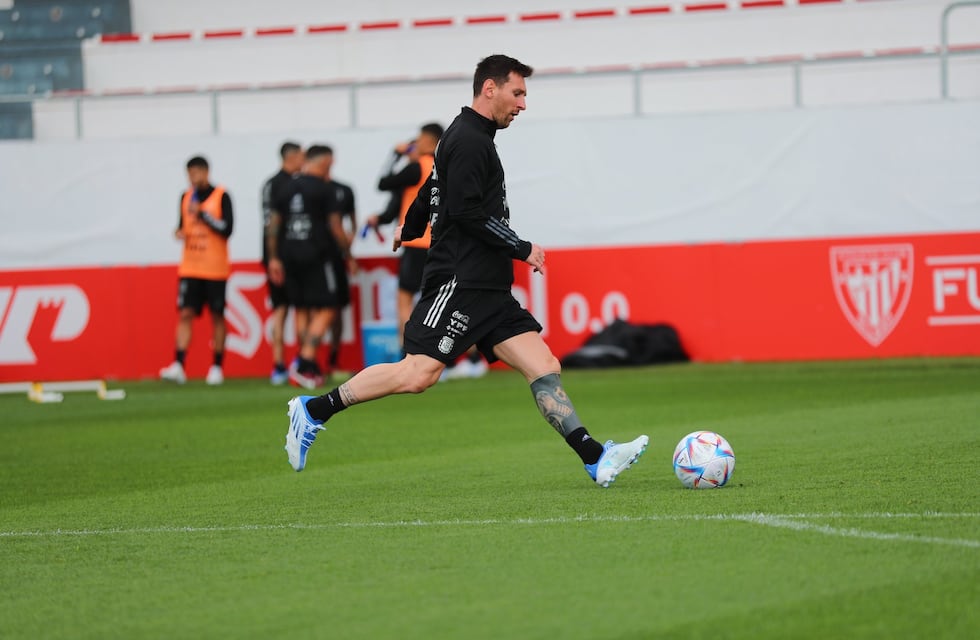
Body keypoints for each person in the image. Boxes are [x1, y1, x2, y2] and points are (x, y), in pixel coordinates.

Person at [283, 55, 648, 487]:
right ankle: (313, 410)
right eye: (518, 93)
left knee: (543, 364)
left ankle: (595, 458)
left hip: (489, 286)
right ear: (490, 89)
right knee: (418, 373)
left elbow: (432, 188)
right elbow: (466, 212)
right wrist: (521, 247)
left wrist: (410, 227)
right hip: (460, 280)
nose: (523, 104)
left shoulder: (466, 136)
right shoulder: (470, 139)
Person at [266, 144, 350, 390]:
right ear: (323, 162)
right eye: (330, 164)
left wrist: (274, 258)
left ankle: (306, 367)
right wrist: (348, 252)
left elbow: (273, 226)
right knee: (329, 306)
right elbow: (336, 226)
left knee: (301, 308)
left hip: (289, 255)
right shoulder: (325, 189)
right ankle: (305, 359)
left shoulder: (284, 187)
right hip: (318, 255)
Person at [160, 155, 234, 385]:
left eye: (196, 173)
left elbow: (227, 229)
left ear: (205, 172)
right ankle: (179, 365)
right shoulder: (185, 197)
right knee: (185, 313)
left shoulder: (221, 195)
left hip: (215, 268)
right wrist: (179, 232)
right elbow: (182, 225)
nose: (192, 178)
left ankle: (216, 367)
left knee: (217, 316)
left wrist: (203, 214)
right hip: (190, 266)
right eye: (189, 174)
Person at [262, 141, 304, 385]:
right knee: (291, 307)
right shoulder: (286, 185)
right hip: (284, 255)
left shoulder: (270, 183)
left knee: (282, 308)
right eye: (301, 156)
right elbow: (272, 223)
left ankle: (280, 365)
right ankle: (292, 363)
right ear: (293, 157)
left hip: (276, 255)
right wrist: (275, 257)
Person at [321, 146, 357, 379]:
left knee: (336, 309)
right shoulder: (305, 189)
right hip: (316, 259)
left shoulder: (342, 190)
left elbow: (350, 222)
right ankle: (309, 363)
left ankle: (332, 360)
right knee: (317, 310)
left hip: (335, 258)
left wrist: (349, 245)